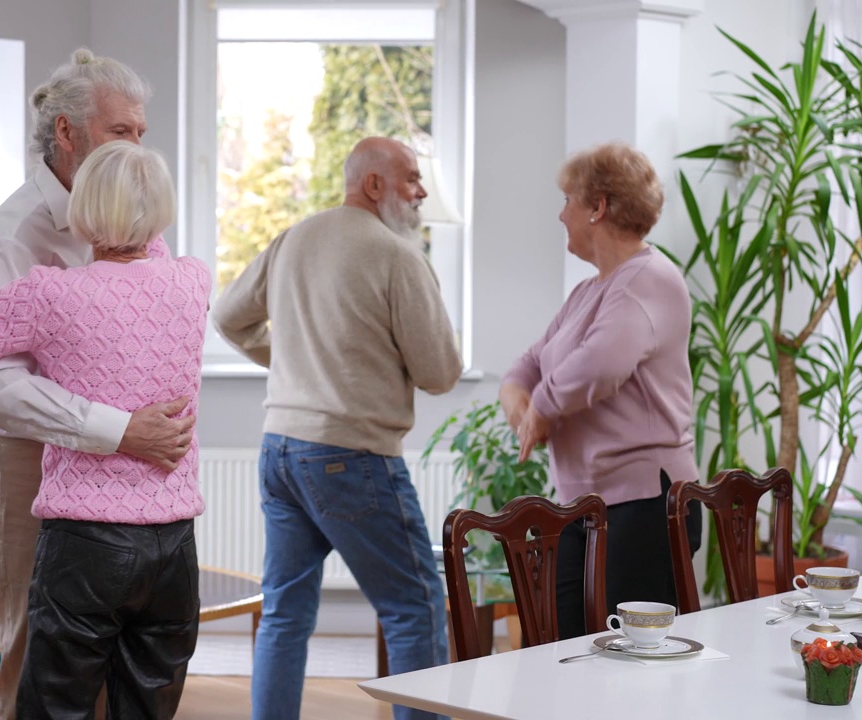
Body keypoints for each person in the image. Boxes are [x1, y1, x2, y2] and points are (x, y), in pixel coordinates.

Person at [0, 140, 210, 719]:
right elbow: (148, 265)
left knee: (55, 710)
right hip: (174, 547)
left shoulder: (51, 293)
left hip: (86, 548)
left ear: (81, 211)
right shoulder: (193, 281)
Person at [213, 137, 462, 720]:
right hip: (351, 457)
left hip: (280, 451)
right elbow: (441, 372)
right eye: (410, 178)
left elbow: (227, 316)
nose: (421, 191)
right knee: (416, 607)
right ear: (373, 184)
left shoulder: (294, 238)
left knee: (284, 612)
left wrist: (296, 360)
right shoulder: (398, 256)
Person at [500, 141, 702, 640]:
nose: (561, 214)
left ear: (599, 206)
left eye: (568, 200)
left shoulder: (650, 280)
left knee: (629, 665)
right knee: (567, 646)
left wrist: (541, 408)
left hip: (645, 506)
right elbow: (529, 362)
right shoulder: (589, 291)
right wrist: (518, 399)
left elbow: (601, 364)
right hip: (587, 504)